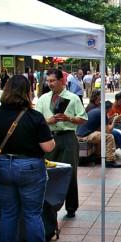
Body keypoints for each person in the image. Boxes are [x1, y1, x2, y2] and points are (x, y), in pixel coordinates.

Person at [0, 75, 56, 242]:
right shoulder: (34, 117)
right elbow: (48, 147)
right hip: (30, 167)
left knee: (8, 213)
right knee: (32, 214)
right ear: (28, 92)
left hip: (3, 166)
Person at [36, 68, 87, 219]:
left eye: (52, 81)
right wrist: (48, 121)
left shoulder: (73, 98)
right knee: (46, 172)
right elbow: (36, 121)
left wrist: (68, 118)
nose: (49, 84)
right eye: (48, 81)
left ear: (61, 81)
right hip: (48, 138)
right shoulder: (43, 98)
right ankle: (47, 206)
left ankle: (71, 207)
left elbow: (83, 118)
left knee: (70, 172)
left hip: (67, 137)